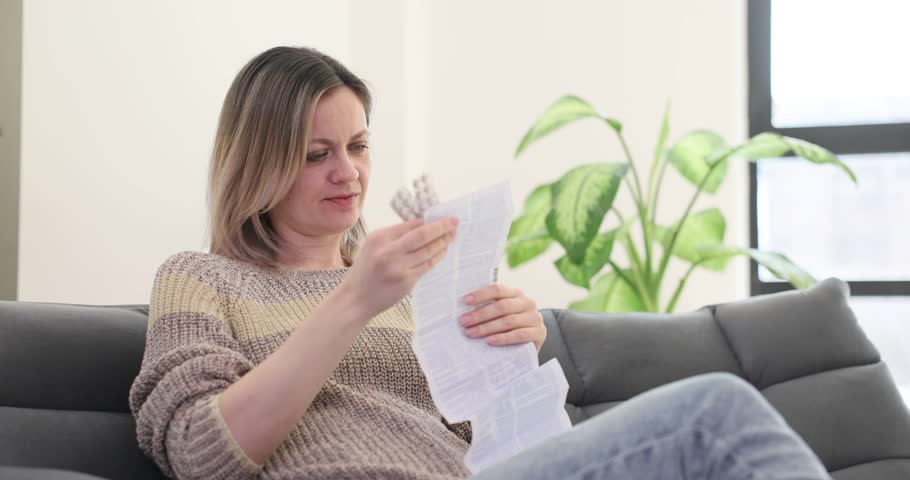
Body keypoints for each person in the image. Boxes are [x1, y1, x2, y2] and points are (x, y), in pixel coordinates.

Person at [128, 46, 831, 480]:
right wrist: (352, 302)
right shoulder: (200, 278)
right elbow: (200, 454)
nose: (349, 172)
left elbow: (482, 437)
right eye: (317, 154)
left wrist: (510, 358)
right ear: (260, 160)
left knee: (710, 436)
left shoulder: (413, 284)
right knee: (714, 412)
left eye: (360, 146)